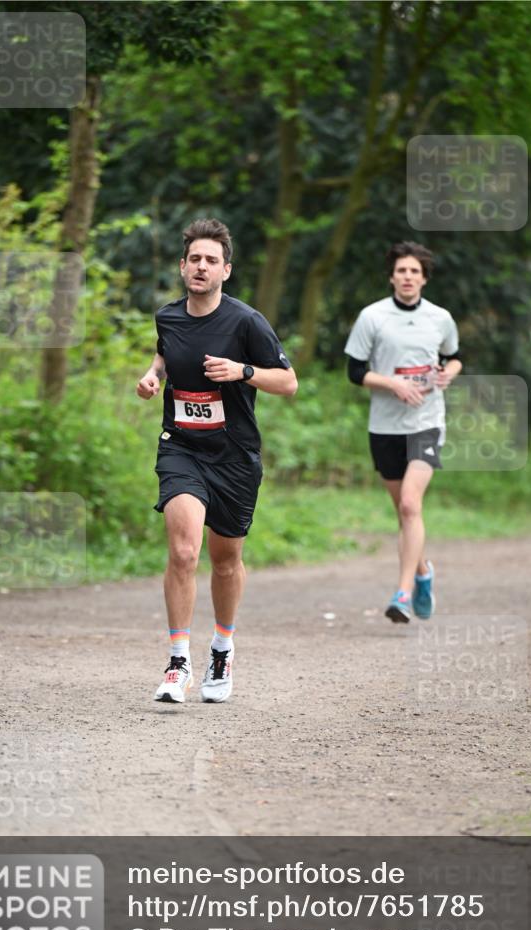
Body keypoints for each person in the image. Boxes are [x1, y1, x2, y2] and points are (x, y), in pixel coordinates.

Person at [137, 218, 297, 703]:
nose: (201, 267)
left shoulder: (246, 322)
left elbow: (288, 383)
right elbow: (165, 354)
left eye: (211, 260)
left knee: (226, 561)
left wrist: (242, 371)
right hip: (181, 445)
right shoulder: (167, 317)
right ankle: (178, 663)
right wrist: (151, 375)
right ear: (182, 266)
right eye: (194, 259)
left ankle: (222, 647)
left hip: (234, 456)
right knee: (184, 551)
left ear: (226, 270)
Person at [344, 241, 462, 623]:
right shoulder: (373, 317)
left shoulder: (440, 318)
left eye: (414, 271)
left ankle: (402, 595)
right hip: (385, 427)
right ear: (392, 276)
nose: (407, 277)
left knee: (412, 504)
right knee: (404, 513)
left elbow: (454, 356)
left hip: (427, 423)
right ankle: (424, 571)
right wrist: (393, 384)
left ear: (424, 278)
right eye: (401, 271)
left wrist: (450, 372)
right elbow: (355, 371)